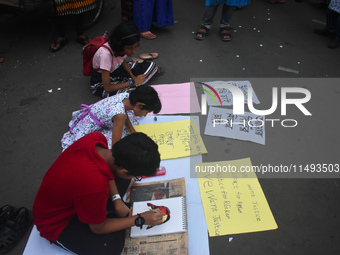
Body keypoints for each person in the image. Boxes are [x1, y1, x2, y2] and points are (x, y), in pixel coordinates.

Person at [33, 132, 164, 255]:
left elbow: (106, 170)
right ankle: (107, 215)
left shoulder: (96, 138)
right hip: (57, 222)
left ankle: (108, 211)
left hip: (80, 193)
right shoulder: (95, 185)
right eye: (137, 176)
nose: (136, 178)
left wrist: (117, 199)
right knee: (111, 248)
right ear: (124, 170)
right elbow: (97, 228)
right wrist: (139, 219)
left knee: (122, 183)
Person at [61, 85, 161, 150]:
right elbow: (115, 145)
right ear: (139, 105)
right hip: (88, 127)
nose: (145, 115)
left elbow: (125, 113)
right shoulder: (120, 116)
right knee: (122, 143)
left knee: (129, 124)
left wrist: (132, 129)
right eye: (146, 112)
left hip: (91, 116)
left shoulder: (126, 96)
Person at [90, 21, 164, 98]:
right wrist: (132, 82)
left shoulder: (120, 48)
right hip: (102, 81)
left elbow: (122, 61)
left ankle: (133, 85)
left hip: (116, 69)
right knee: (128, 94)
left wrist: (133, 77)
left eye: (136, 47)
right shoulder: (105, 55)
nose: (133, 51)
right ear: (120, 45)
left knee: (152, 66)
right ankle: (132, 86)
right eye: (129, 48)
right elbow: (107, 88)